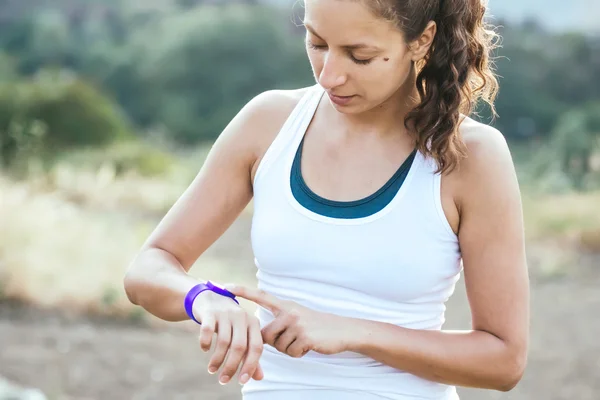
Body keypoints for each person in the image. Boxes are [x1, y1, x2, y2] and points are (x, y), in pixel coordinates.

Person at [123, 0, 530, 399]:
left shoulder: (472, 156)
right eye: (317, 44)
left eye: (360, 56)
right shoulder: (268, 124)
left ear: (421, 41)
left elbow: (503, 360)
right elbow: (149, 267)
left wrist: (355, 332)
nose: (329, 76)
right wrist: (202, 297)